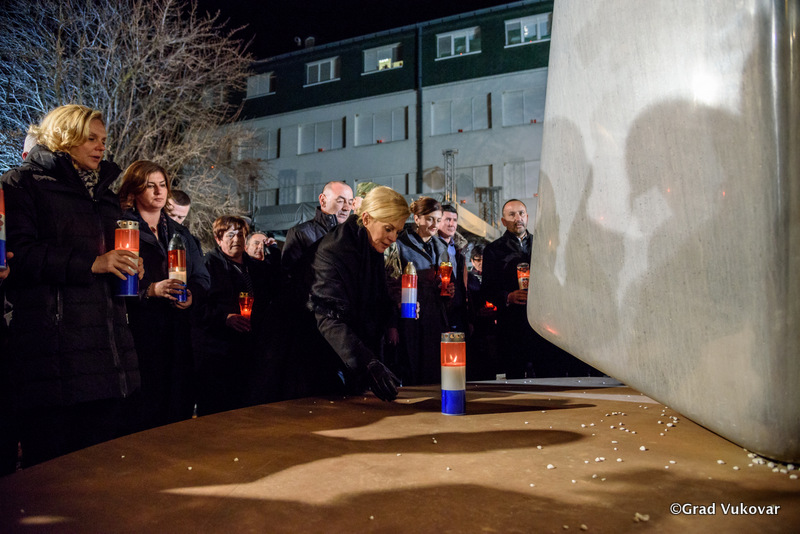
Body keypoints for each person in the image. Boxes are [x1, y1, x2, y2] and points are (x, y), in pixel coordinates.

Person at [1, 104, 142, 467]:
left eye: (103, 140)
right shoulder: (22, 184)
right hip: (53, 358)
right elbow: (20, 256)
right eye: (90, 138)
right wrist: (93, 263)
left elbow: (113, 256)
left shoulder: (106, 194)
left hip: (108, 357)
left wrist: (131, 266)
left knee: (103, 473)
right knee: (54, 475)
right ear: (64, 137)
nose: (101, 147)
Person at [118, 161, 210, 430]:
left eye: (162, 185)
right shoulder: (124, 229)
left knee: (178, 413)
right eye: (150, 186)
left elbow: (202, 277)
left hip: (179, 336)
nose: (159, 192)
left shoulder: (181, 233)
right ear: (135, 189)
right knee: (146, 415)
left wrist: (192, 296)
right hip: (141, 335)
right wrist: (151, 289)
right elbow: (116, 280)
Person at [308, 186, 408, 400]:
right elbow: (327, 316)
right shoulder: (335, 249)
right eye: (388, 228)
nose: (393, 238)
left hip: (349, 353)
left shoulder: (370, 243)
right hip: (318, 355)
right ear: (366, 218)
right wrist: (367, 362)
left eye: (397, 231)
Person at [194, 215, 280, 413]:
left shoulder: (254, 266)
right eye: (230, 235)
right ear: (218, 239)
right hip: (217, 353)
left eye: (241, 235)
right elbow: (198, 306)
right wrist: (225, 318)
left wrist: (274, 253)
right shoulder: (208, 265)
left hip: (248, 350)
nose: (236, 240)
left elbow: (274, 287)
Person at [280, 181, 353, 398]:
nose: (346, 207)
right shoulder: (301, 233)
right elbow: (289, 282)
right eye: (340, 201)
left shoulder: (353, 237)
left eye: (350, 202)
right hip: (313, 327)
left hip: (345, 327)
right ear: (323, 200)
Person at [386, 197, 451, 385]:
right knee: (412, 368)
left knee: (435, 370)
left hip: (435, 316)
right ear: (416, 218)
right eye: (430, 219)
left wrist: (448, 290)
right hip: (410, 317)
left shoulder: (441, 246)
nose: (435, 225)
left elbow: (446, 279)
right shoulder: (399, 245)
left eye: (438, 220)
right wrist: (392, 324)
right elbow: (390, 284)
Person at [437, 204, 468, 331]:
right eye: (447, 219)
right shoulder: (432, 247)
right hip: (439, 311)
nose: (451, 224)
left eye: (454, 220)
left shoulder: (459, 249)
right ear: (438, 221)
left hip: (458, 311)